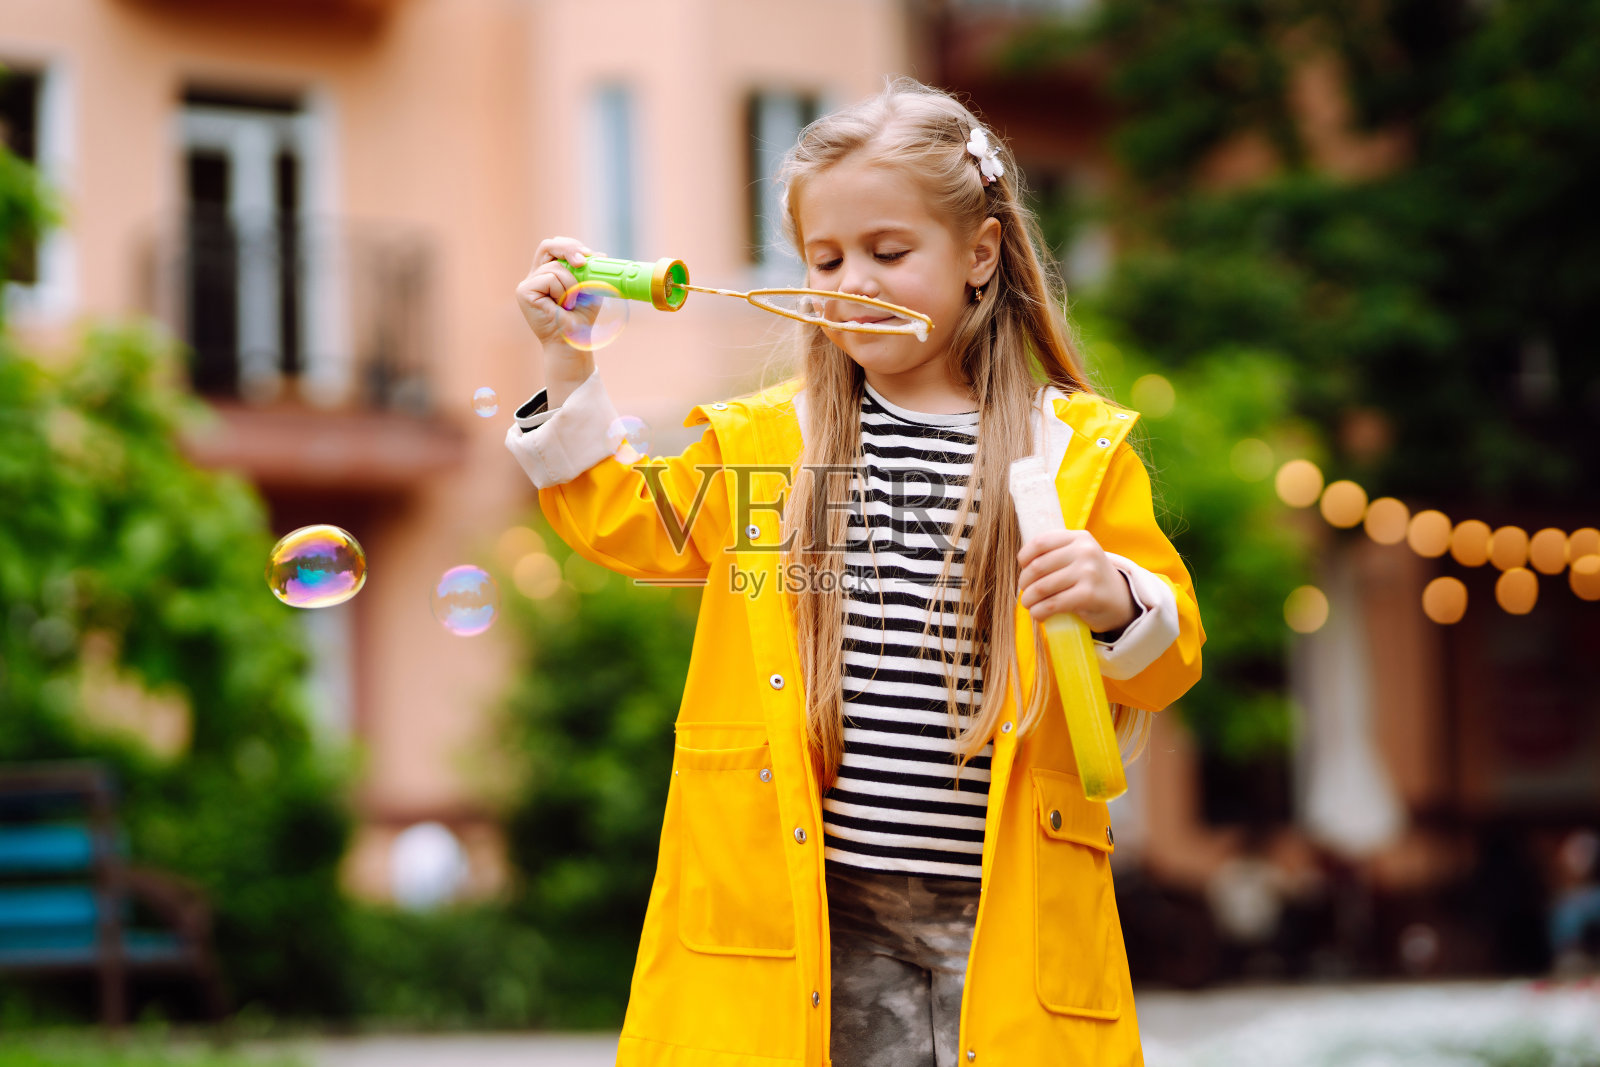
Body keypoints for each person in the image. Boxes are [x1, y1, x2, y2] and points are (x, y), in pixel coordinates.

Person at [507, 77, 1203, 1067]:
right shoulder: (766, 445)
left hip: (1000, 916)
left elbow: (1165, 662)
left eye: (888, 251)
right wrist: (568, 360)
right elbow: (624, 520)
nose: (851, 282)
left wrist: (1114, 596)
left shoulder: (1071, 451)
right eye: (824, 257)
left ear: (980, 253)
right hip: (810, 910)